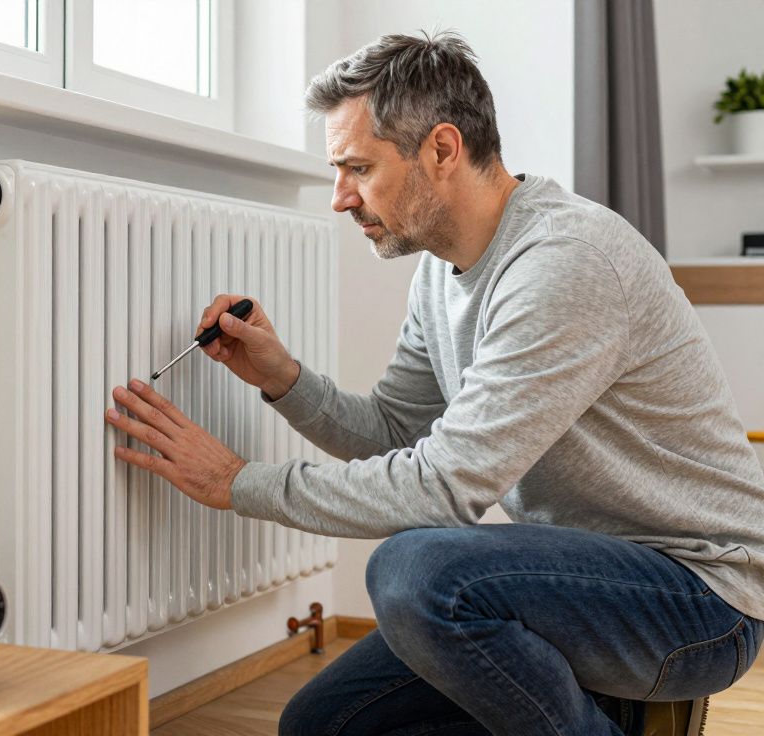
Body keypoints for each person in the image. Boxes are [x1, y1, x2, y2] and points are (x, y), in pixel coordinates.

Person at [102, 30, 764, 736]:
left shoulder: (564, 263)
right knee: (323, 724)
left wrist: (237, 483)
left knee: (415, 573)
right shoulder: (439, 271)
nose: (339, 198)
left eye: (357, 168)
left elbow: (445, 488)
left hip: (697, 600)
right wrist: (283, 378)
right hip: (579, 580)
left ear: (442, 150)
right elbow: (393, 432)